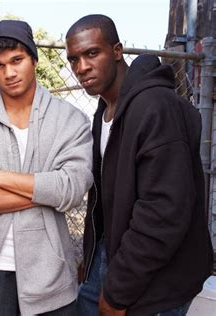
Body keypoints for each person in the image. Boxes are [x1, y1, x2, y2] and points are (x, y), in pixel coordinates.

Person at [0, 19, 93, 315]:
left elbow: (71, 191)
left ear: (34, 59)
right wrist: (47, 192)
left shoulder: (70, 120)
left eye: (17, 60)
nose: (9, 73)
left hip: (49, 272)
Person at [65, 14, 213, 316]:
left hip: (157, 279)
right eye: (74, 59)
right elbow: (107, 201)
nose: (82, 67)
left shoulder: (155, 106)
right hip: (118, 258)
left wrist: (118, 292)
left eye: (92, 53)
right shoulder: (105, 113)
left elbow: (163, 211)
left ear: (117, 51)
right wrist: (93, 260)